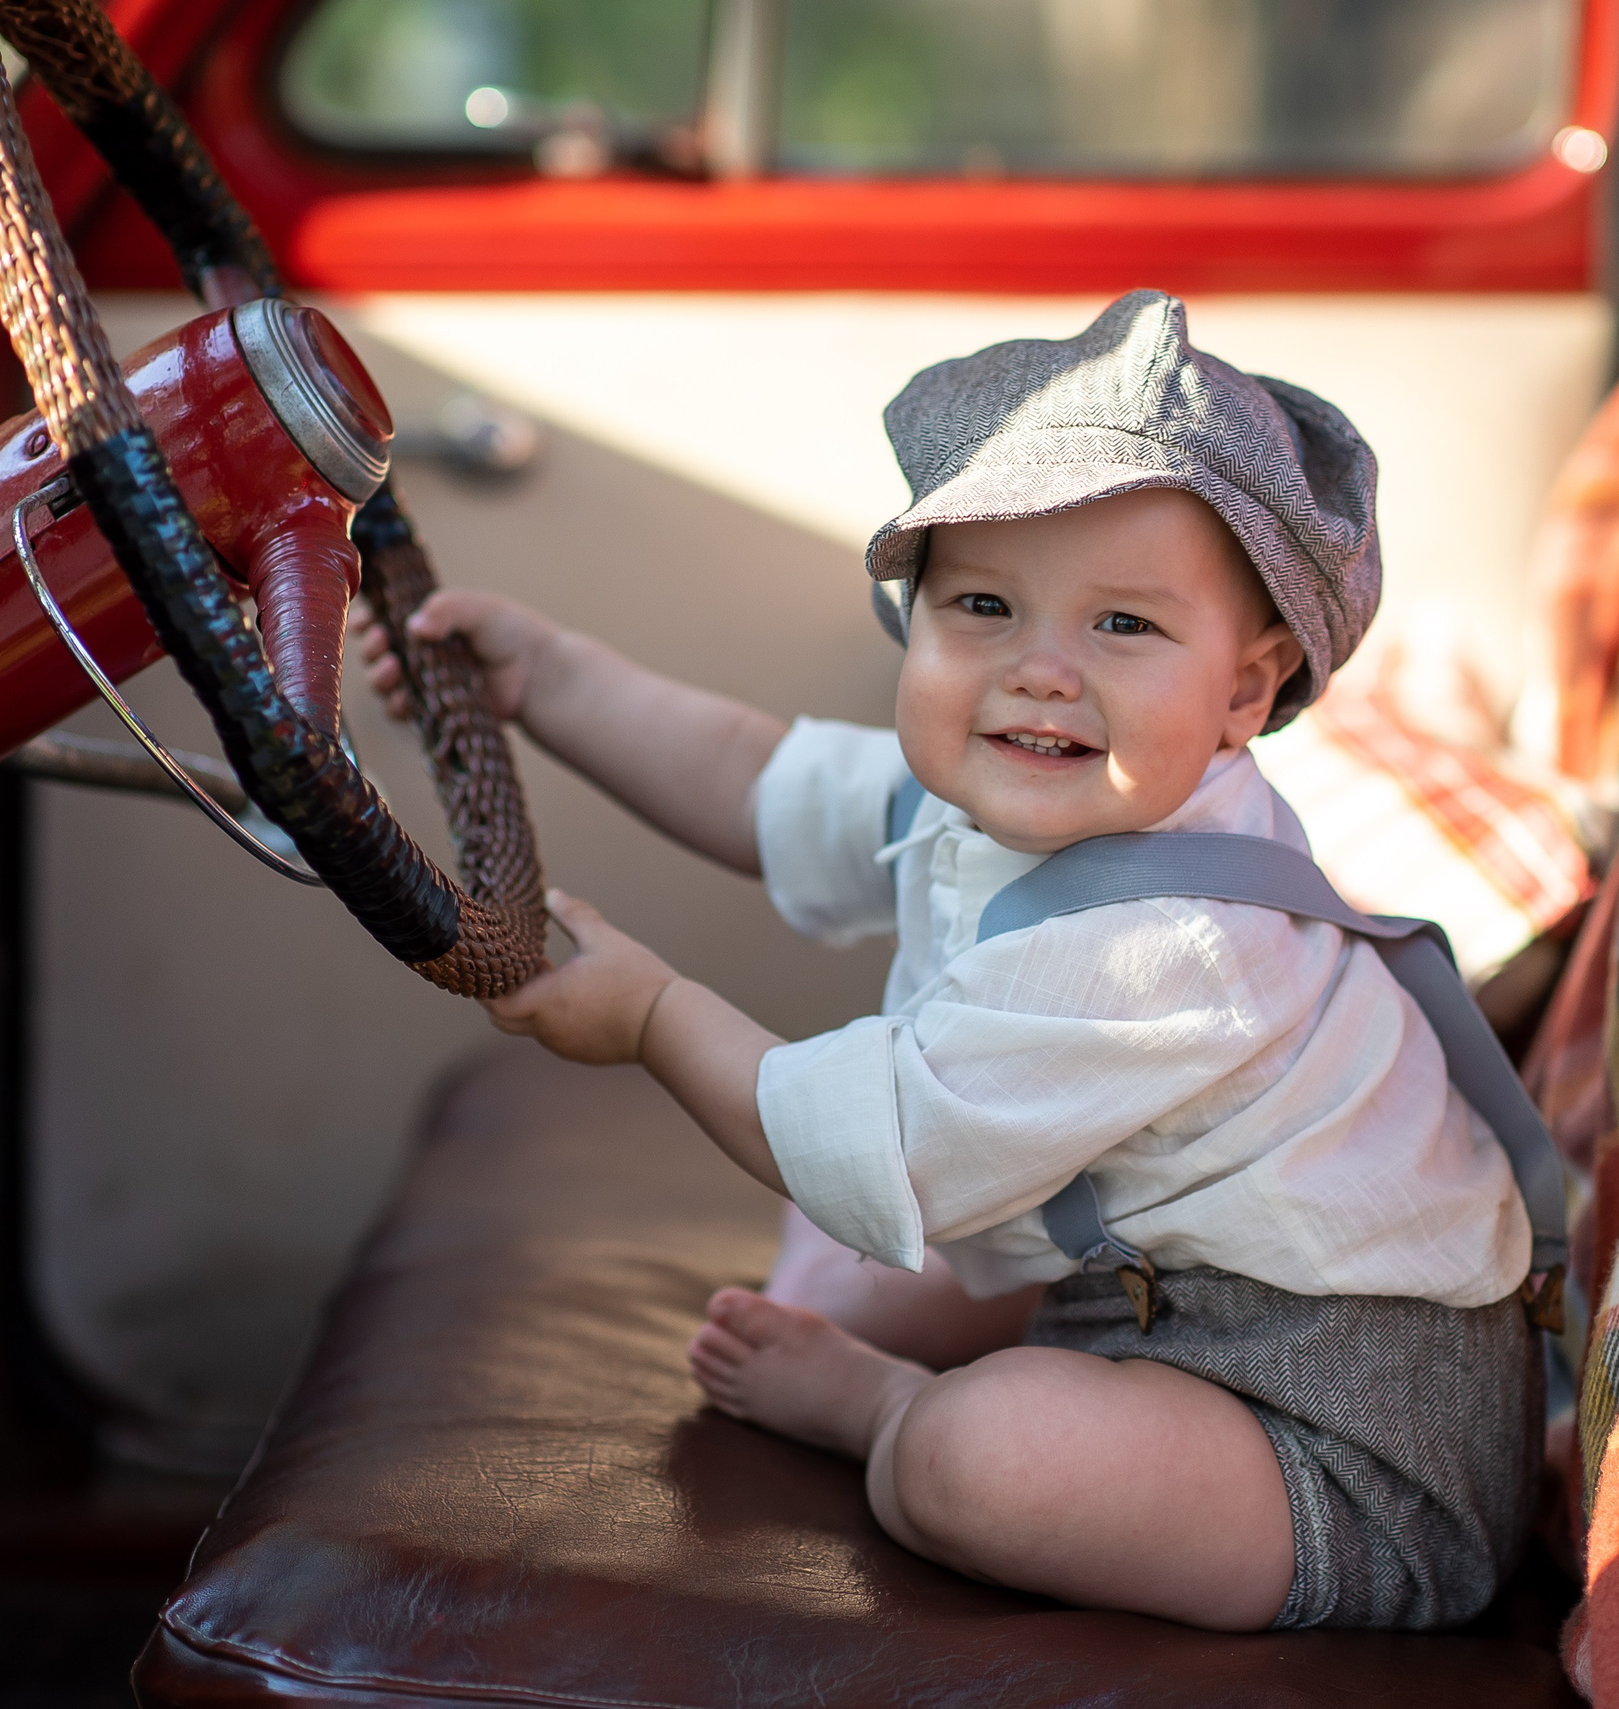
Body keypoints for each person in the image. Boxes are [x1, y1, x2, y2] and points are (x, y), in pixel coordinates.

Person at [354, 290, 1539, 1633]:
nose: (1040, 670)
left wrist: (653, 1015)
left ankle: (892, 1408)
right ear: (912, 625)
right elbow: (755, 775)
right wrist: (546, 677)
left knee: (978, 1460)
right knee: (826, 1268)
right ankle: (965, 1353)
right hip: (1149, 1292)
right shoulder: (1008, 798)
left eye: (1124, 626)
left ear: (1245, 693)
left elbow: (891, 1148)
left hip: (1336, 1428)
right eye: (984, 604)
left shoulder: (1166, 948)